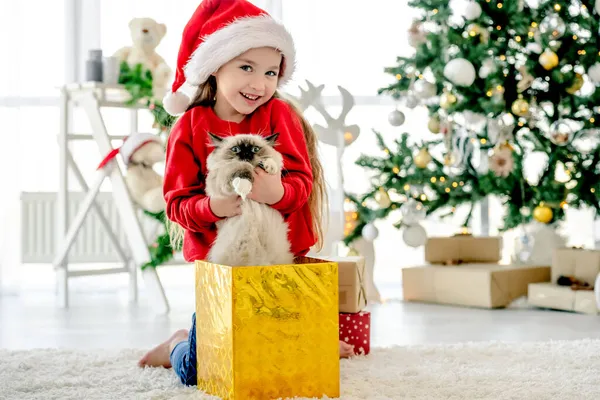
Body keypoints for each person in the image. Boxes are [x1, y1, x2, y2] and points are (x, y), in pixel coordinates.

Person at [137, 0, 355, 386]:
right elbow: (176, 203)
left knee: (284, 352)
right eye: (247, 68)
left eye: (271, 72)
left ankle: (315, 339)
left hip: (278, 261)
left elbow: (301, 183)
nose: (260, 84)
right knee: (199, 370)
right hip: (225, 269)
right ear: (214, 66)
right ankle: (178, 345)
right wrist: (213, 207)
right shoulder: (189, 126)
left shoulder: (280, 116)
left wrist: (277, 192)